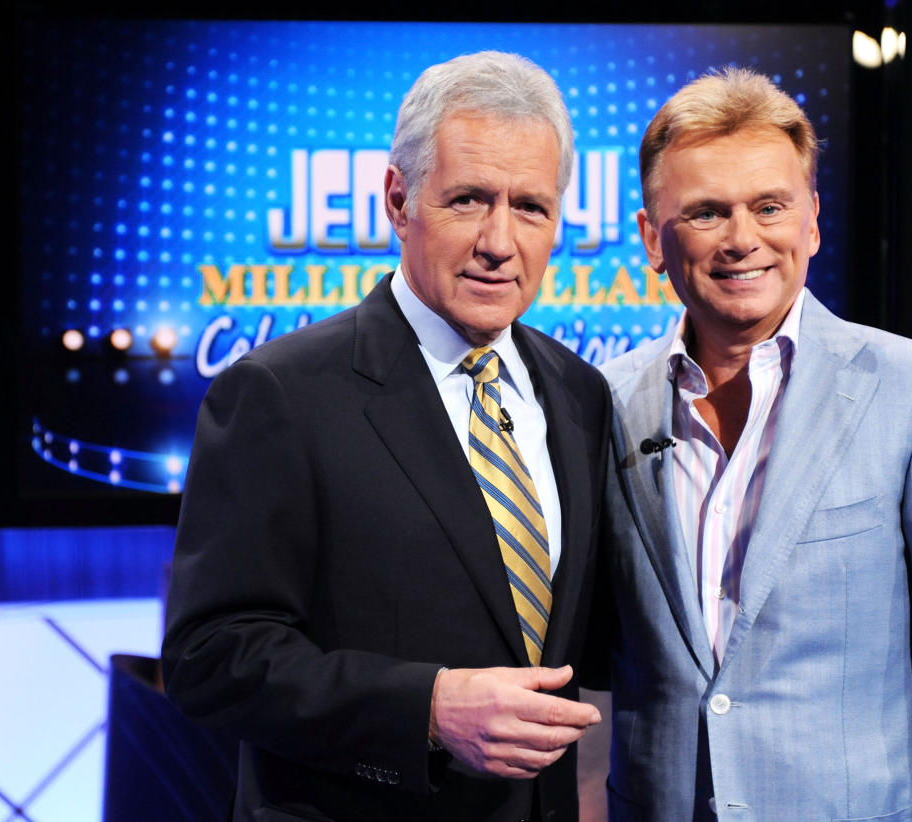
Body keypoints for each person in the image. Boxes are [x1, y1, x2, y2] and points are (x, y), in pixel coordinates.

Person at [162, 51, 610, 822]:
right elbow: (213, 658)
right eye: (469, 199)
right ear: (398, 201)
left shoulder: (578, 393)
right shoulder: (280, 393)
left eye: (531, 207)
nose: (500, 241)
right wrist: (427, 710)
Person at [599, 68, 912, 821]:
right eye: (705, 213)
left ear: (813, 221)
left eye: (769, 206)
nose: (742, 240)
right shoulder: (602, 403)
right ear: (651, 239)